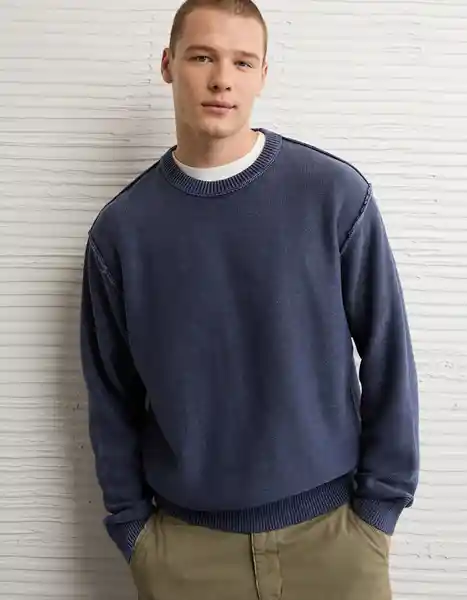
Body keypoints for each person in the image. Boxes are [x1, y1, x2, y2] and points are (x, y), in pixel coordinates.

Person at [79, 1, 420, 598]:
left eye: (242, 62)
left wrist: (379, 510)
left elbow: (388, 354)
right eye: (202, 57)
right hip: (186, 556)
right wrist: (134, 530)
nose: (222, 80)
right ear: (168, 64)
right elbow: (111, 396)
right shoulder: (121, 232)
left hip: (335, 544)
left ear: (263, 74)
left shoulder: (335, 197)